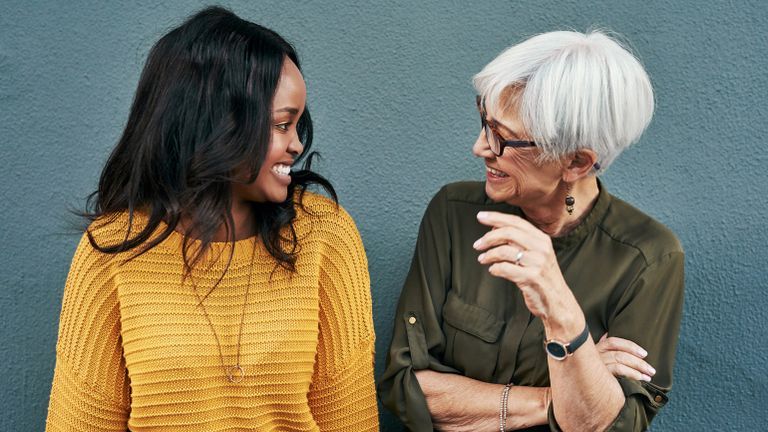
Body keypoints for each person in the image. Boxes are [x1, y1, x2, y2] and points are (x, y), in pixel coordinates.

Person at [46, 7, 378, 431]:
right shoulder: (113, 249)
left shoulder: (323, 234)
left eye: (297, 124)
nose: (296, 144)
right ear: (216, 124)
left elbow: (351, 420)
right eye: (281, 124)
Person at [379, 30, 684, 431]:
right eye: (485, 122)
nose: (480, 147)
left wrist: (560, 309)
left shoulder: (648, 260)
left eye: (503, 139)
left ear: (575, 163)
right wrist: (563, 388)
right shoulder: (454, 215)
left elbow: (610, 427)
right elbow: (408, 388)